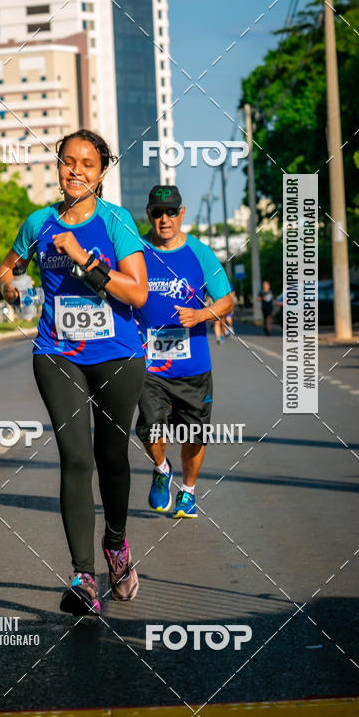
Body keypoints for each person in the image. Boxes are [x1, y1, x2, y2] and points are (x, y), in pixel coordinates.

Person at [0, 129, 148, 616]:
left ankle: (117, 545)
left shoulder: (116, 221)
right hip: (56, 351)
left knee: (113, 458)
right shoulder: (38, 222)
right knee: (75, 458)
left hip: (118, 353)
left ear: (102, 172)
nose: (76, 170)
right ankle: (84, 577)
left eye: (87, 163)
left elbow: (137, 294)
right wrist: (11, 286)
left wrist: (84, 259)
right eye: (68, 161)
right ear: (58, 167)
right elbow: (6, 268)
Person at [134, 185, 234, 518]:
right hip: (149, 364)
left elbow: (226, 299)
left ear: (182, 214)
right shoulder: (136, 251)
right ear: (149, 215)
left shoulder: (201, 253)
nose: (164, 219)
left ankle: (188, 490)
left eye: (171, 212)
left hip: (193, 365)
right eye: (157, 213)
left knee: (194, 434)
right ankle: (162, 469)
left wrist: (202, 314)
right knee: (151, 427)